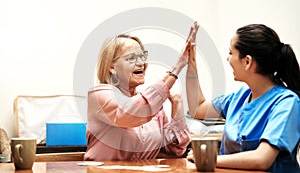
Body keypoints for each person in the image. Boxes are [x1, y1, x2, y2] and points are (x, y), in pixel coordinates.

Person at [186, 24, 300, 172]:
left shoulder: (287, 103)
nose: (228, 59)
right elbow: (198, 108)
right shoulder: (239, 98)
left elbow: (262, 159)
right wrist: (191, 62)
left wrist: (207, 158)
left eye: (230, 52)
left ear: (247, 61)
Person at [84, 23, 199, 161]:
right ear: (112, 67)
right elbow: (129, 113)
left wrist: (177, 102)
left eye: (142, 57)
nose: (141, 63)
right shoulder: (99, 95)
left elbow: (175, 149)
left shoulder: (152, 106)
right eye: (131, 58)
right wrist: (176, 69)